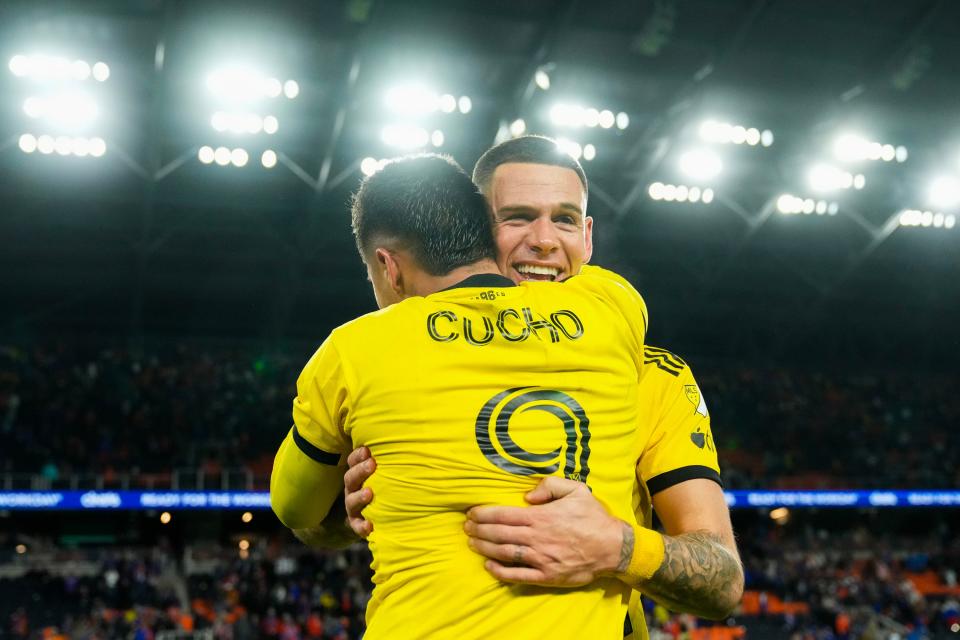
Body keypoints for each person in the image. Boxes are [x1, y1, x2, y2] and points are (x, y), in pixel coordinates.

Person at [333, 136, 744, 636]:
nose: (545, 240)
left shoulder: (652, 374)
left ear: (587, 238)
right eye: (518, 216)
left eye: (566, 219)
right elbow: (312, 523)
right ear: (474, 233)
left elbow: (722, 580)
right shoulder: (391, 367)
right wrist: (345, 516)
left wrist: (618, 547)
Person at [271, 153, 658, 639]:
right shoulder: (613, 307)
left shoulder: (352, 348)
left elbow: (293, 509)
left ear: (388, 267)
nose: (541, 239)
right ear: (488, 236)